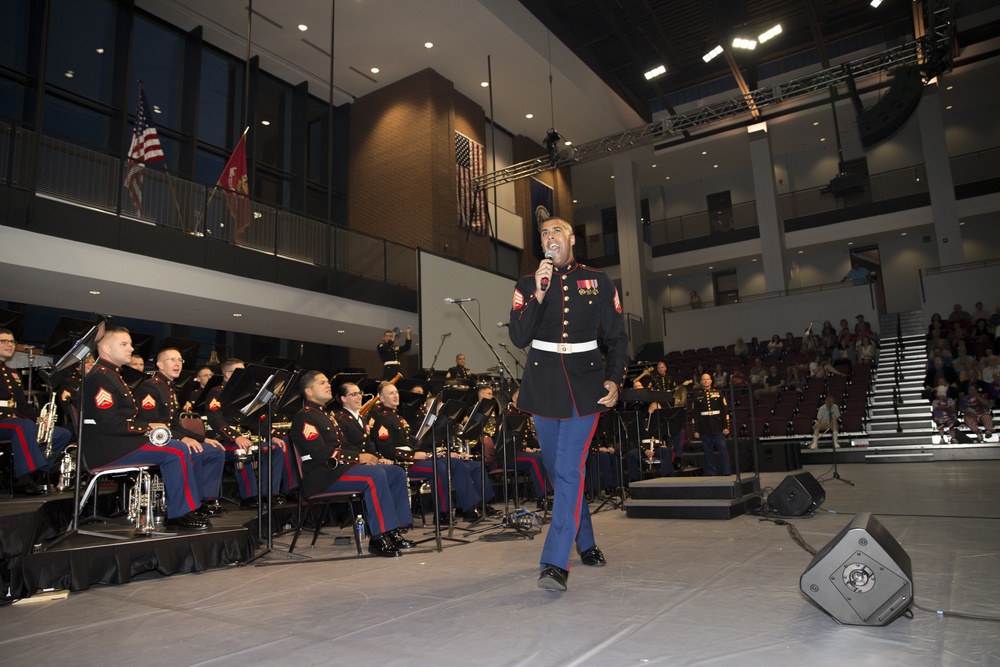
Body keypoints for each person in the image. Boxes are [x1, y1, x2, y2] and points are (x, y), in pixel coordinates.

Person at [508, 215, 628, 592]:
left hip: (585, 385)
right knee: (560, 473)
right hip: (543, 386)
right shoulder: (528, 284)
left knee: (570, 471)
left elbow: (619, 336)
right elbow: (518, 337)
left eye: (556, 230)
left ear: (571, 238)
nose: (549, 236)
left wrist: (616, 377)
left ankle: (555, 563)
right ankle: (586, 541)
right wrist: (539, 294)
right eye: (543, 232)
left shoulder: (598, 278)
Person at [82, 326, 209, 530]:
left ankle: (188, 507)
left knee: (178, 447)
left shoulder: (111, 374)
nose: (130, 349)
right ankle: (180, 513)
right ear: (105, 348)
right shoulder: (101, 377)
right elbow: (110, 423)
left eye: (130, 344)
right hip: (108, 448)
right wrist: (148, 426)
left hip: (118, 442)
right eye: (123, 344)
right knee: (176, 450)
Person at [290, 371, 414, 557]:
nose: (327, 385)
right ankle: (379, 537)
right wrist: (358, 459)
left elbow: (344, 445)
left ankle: (393, 529)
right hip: (322, 475)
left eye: (327, 382)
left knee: (395, 472)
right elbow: (321, 452)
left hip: (338, 470)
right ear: (308, 391)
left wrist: (369, 456)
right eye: (322, 382)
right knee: (375, 476)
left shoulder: (326, 415)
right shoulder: (304, 417)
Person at [369, 381, 495, 522]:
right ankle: (442, 513)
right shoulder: (382, 418)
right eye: (391, 393)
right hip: (401, 463)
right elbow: (387, 449)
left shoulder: (399, 417)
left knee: (455, 463)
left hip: (414, 457)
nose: (396, 395)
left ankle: (470, 508)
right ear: (381, 398)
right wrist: (413, 455)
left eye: (396, 392)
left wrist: (435, 452)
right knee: (438, 467)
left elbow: (412, 442)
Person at [134, 347, 226, 516]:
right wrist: (183, 439)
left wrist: (203, 439)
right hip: (155, 439)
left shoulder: (170, 389)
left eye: (180, 360)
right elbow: (152, 424)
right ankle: (192, 503)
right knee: (193, 450)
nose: (177, 364)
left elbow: (175, 425)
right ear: (160, 364)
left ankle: (206, 499)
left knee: (216, 450)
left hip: (171, 436)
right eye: (172, 360)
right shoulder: (150, 387)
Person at [203, 358, 295, 508]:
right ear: (228, 374)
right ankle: (249, 496)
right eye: (241, 371)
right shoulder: (216, 392)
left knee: (277, 447)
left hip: (248, 438)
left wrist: (271, 437)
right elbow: (216, 420)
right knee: (244, 451)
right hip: (225, 441)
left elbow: (255, 420)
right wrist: (235, 437)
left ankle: (269, 494)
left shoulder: (247, 394)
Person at [0, 328, 73, 495]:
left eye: (11, 341)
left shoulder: (13, 374)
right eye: (3, 341)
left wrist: (42, 419)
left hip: (13, 422)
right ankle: (24, 479)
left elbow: (22, 406)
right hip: (5, 423)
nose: (9, 344)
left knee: (61, 434)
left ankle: (40, 473)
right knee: (23, 426)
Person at [692, 373, 731, 476]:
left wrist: (726, 426)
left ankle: (726, 471)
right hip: (705, 427)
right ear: (701, 382)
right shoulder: (697, 396)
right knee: (708, 451)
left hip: (718, 426)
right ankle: (711, 473)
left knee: (722, 448)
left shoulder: (718, 393)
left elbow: (724, 411)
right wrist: (696, 429)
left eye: (707, 379)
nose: (705, 381)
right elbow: (695, 415)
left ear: (711, 381)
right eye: (703, 379)